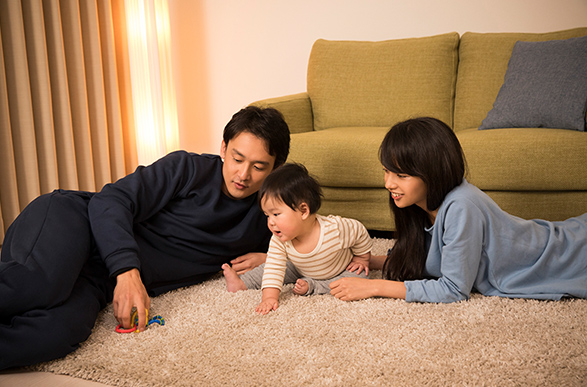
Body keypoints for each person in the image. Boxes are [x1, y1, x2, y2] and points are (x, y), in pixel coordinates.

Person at [0, 106, 290, 370]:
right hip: (76, 224)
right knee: (42, 284)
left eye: (259, 166)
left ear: (276, 168)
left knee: (59, 332)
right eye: (237, 158)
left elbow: (318, 248)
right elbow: (109, 200)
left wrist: (271, 258)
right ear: (224, 148)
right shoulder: (187, 169)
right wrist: (127, 271)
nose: (243, 174)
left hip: (97, 279)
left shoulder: (271, 215)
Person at [329, 117, 587, 304]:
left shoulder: (461, 205)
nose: (389, 184)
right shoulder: (418, 204)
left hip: (567, 254)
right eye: (386, 171)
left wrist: (375, 287)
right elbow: (433, 259)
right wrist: (370, 261)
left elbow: (453, 289)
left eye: (402, 175)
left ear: (432, 173)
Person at [222, 163, 372, 314]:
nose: (270, 222)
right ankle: (243, 283)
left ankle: (313, 286)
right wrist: (269, 297)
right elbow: (274, 267)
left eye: (276, 214)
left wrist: (362, 258)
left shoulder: (335, 229)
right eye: (267, 215)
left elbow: (358, 231)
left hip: (338, 270)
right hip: (299, 267)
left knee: (359, 278)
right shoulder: (279, 239)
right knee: (270, 267)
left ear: (303, 211)